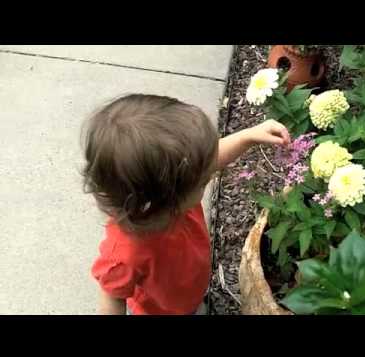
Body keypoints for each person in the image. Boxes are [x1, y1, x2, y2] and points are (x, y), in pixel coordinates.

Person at [83, 94, 290, 315]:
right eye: (203, 181)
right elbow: (112, 294)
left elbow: (209, 162)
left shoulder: (175, 193)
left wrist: (248, 136)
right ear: (162, 200)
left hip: (188, 292)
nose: (209, 177)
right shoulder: (126, 251)